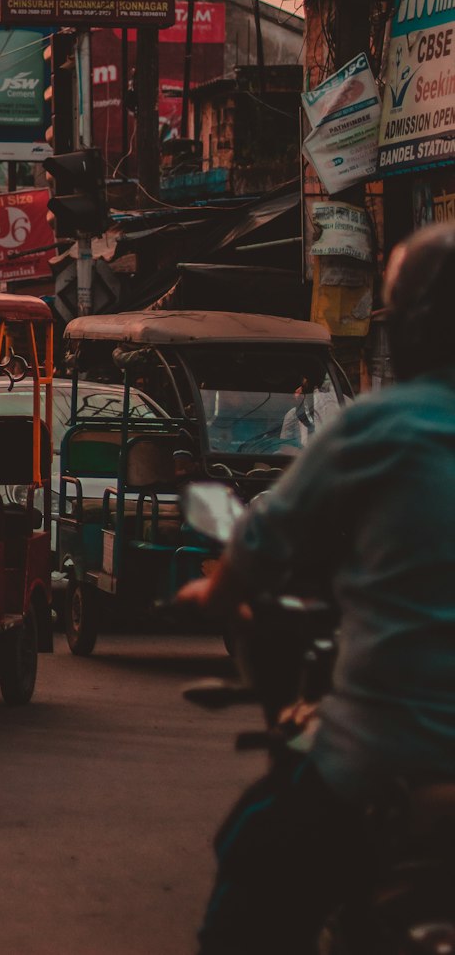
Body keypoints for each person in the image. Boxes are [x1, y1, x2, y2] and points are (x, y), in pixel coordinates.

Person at [177, 222, 455, 955]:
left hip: (383, 754)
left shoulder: (375, 425)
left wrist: (215, 594)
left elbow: (263, 542)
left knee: (251, 875)